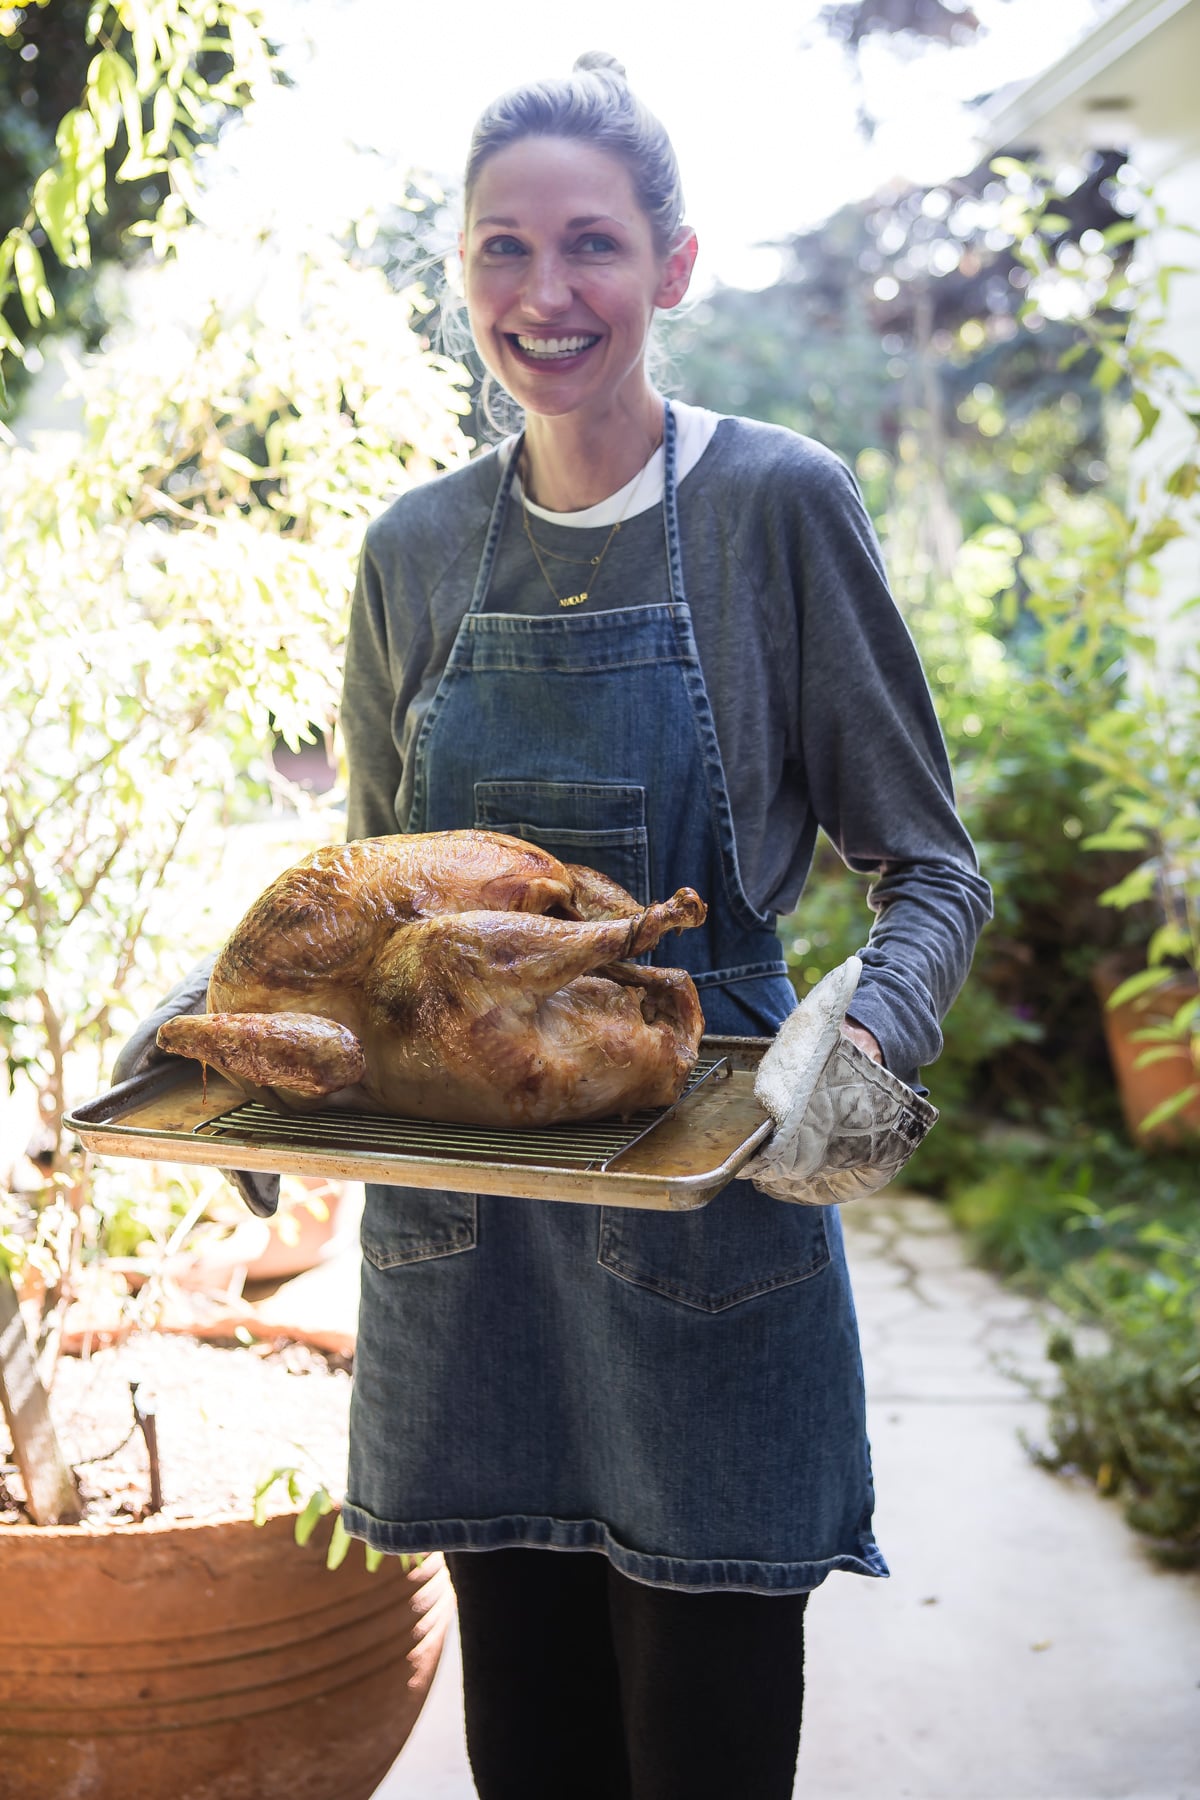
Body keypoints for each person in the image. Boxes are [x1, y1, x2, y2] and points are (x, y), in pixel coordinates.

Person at [117, 51, 992, 1800]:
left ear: (672, 265)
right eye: (501, 251)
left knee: (709, 1749)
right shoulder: (414, 551)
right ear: (462, 275)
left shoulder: (774, 508)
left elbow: (931, 869)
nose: (544, 294)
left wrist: (867, 1031)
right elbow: (376, 912)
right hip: (467, 1250)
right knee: (531, 1751)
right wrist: (209, 1031)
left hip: (709, 1220)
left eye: (589, 245)